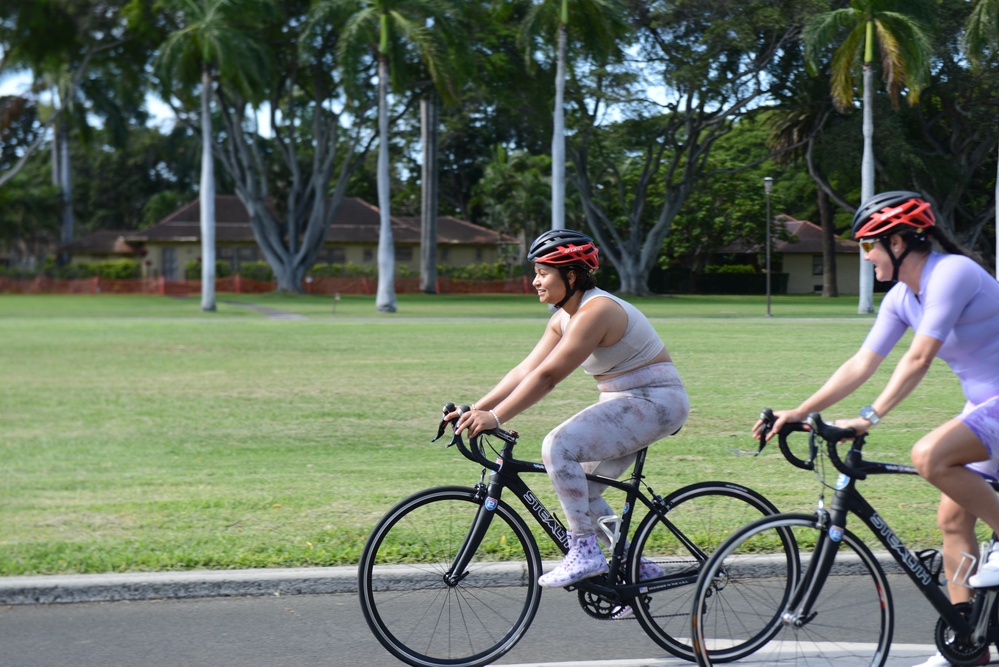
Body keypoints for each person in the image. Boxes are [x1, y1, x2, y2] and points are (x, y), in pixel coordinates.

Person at [755, 191, 999, 667]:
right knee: (952, 519)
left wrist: (870, 416)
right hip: (987, 406)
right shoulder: (904, 298)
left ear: (900, 240)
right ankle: (967, 641)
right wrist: (798, 412)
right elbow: (861, 363)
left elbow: (919, 357)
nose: (866, 256)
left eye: (870, 245)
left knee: (929, 455)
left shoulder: (953, 273)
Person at [450, 229, 690, 589]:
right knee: (582, 489)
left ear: (572, 276)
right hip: (624, 400)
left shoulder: (598, 310)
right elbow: (525, 370)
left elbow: (548, 377)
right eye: (536, 272)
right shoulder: (563, 317)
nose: (535, 281)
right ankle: (634, 567)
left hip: (655, 401)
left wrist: (496, 418)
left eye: (543, 273)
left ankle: (585, 551)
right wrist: (475, 409)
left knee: (558, 446)